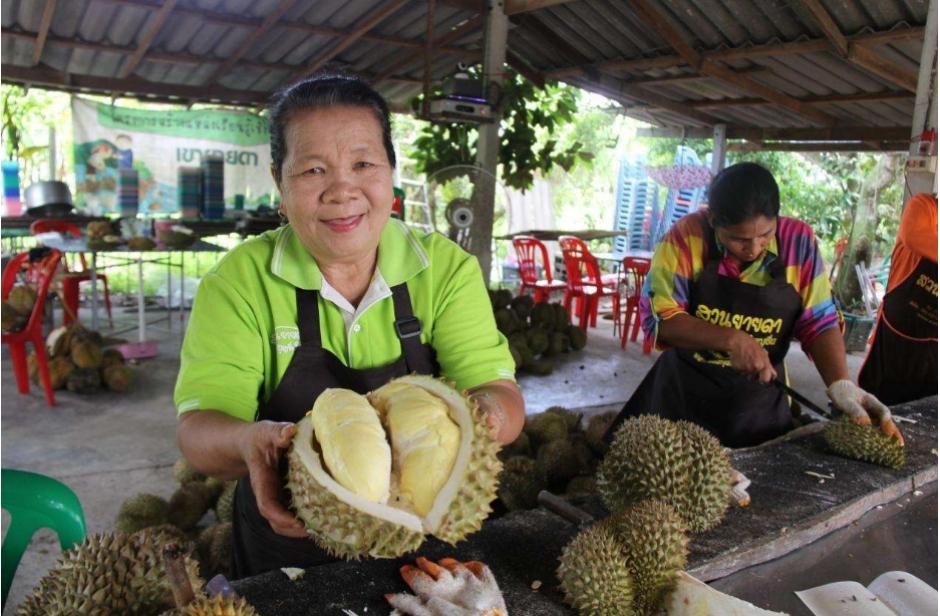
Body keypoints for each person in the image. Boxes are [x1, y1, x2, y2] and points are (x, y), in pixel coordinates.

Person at [173, 73, 525, 578]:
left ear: (391, 174)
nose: (342, 190)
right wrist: (248, 442)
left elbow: (500, 394)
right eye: (314, 170)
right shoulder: (238, 281)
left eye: (363, 164)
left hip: (425, 531)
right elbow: (199, 430)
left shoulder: (445, 268)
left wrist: (484, 415)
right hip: (289, 534)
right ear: (280, 182)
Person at [607, 162, 903, 448]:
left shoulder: (799, 243)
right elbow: (660, 319)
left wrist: (841, 383)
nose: (753, 248)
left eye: (765, 234)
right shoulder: (686, 238)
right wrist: (732, 339)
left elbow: (819, 321)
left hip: (759, 402)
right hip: (684, 398)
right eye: (739, 239)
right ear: (713, 221)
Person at [858, 193, 937, 404]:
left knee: (924, 409)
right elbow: (914, 236)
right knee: (881, 404)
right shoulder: (923, 206)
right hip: (895, 336)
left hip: (933, 345)